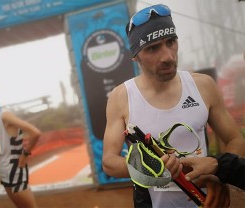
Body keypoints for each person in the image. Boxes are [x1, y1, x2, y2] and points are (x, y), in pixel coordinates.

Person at [102, 3, 245, 208]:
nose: (168, 56)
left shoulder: (203, 86)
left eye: (171, 42)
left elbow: (234, 139)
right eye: (153, 48)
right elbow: (109, 161)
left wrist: (219, 174)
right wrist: (150, 166)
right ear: (135, 56)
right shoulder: (121, 96)